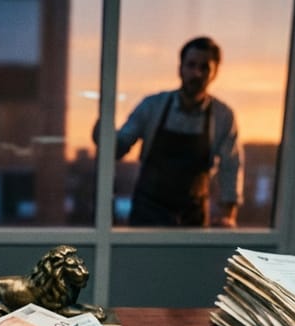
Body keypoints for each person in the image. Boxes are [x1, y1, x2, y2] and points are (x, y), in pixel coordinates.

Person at [99, 36, 243, 227]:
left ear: (215, 73)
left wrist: (228, 216)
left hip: (192, 217)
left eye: (204, 67)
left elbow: (231, 166)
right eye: (191, 65)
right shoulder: (152, 106)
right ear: (180, 68)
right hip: (147, 213)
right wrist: (103, 136)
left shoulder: (223, 116)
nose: (197, 73)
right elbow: (120, 147)